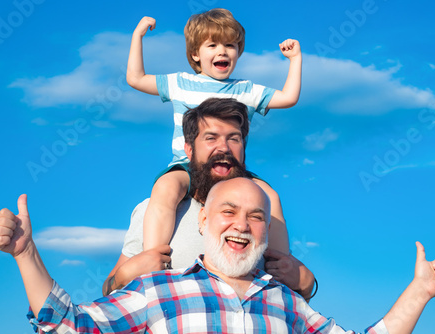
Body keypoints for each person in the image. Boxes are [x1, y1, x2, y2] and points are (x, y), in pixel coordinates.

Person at [0, 178, 435, 333]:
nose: (242, 224)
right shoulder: (158, 292)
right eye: (229, 211)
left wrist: (418, 293)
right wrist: (26, 254)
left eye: (256, 217)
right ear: (203, 222)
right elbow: (71, 327)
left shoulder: (288, 305)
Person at [126, 8, 302, 254]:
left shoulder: (246, 90)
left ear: (238, 52)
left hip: (233, 168)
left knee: (270, 196)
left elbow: (289, 97)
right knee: (165, 189)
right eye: (212, 45)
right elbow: (135, 78)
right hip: (186, 165)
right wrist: (138, 35)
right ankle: (154, 257)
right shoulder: (180, 83)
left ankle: (281, 263)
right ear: (195, 54)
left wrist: (295, 60)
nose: (222, 51)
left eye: (230, 45)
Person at [102, 98, 314, 301]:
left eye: (234, 138)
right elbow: (108, 291)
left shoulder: (258, 217)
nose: (224, 148)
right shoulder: (153, 208)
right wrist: (122, 279)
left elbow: (286, 303)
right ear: (189, 149)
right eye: (211, 138)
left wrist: (306, 285)